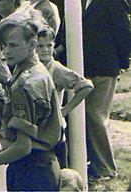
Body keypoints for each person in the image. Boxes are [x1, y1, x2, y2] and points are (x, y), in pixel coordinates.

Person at [58, 0, 130, 179]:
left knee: (94, 116)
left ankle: (106, 169)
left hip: (104, 69)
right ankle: (91, 163)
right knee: (81, 118)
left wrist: (120, 64)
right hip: (83, 69)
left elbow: (123, 34)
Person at [0, 19, 63, 191]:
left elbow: (23, 147)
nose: (6, 52)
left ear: (32, 44)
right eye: (4, 45)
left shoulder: (24, 84)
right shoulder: (37, 71)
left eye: (13, 45)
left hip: (30, 170)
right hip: (43, 165)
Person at [37, 26, 93, 168]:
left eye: (49, 45)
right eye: (40, 46)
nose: (45, 50)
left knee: (58, 169)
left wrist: (64, 111)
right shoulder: (33, 67)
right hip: (37, 127)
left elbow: (86, 85)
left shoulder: (56, 69)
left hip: (53, 128)